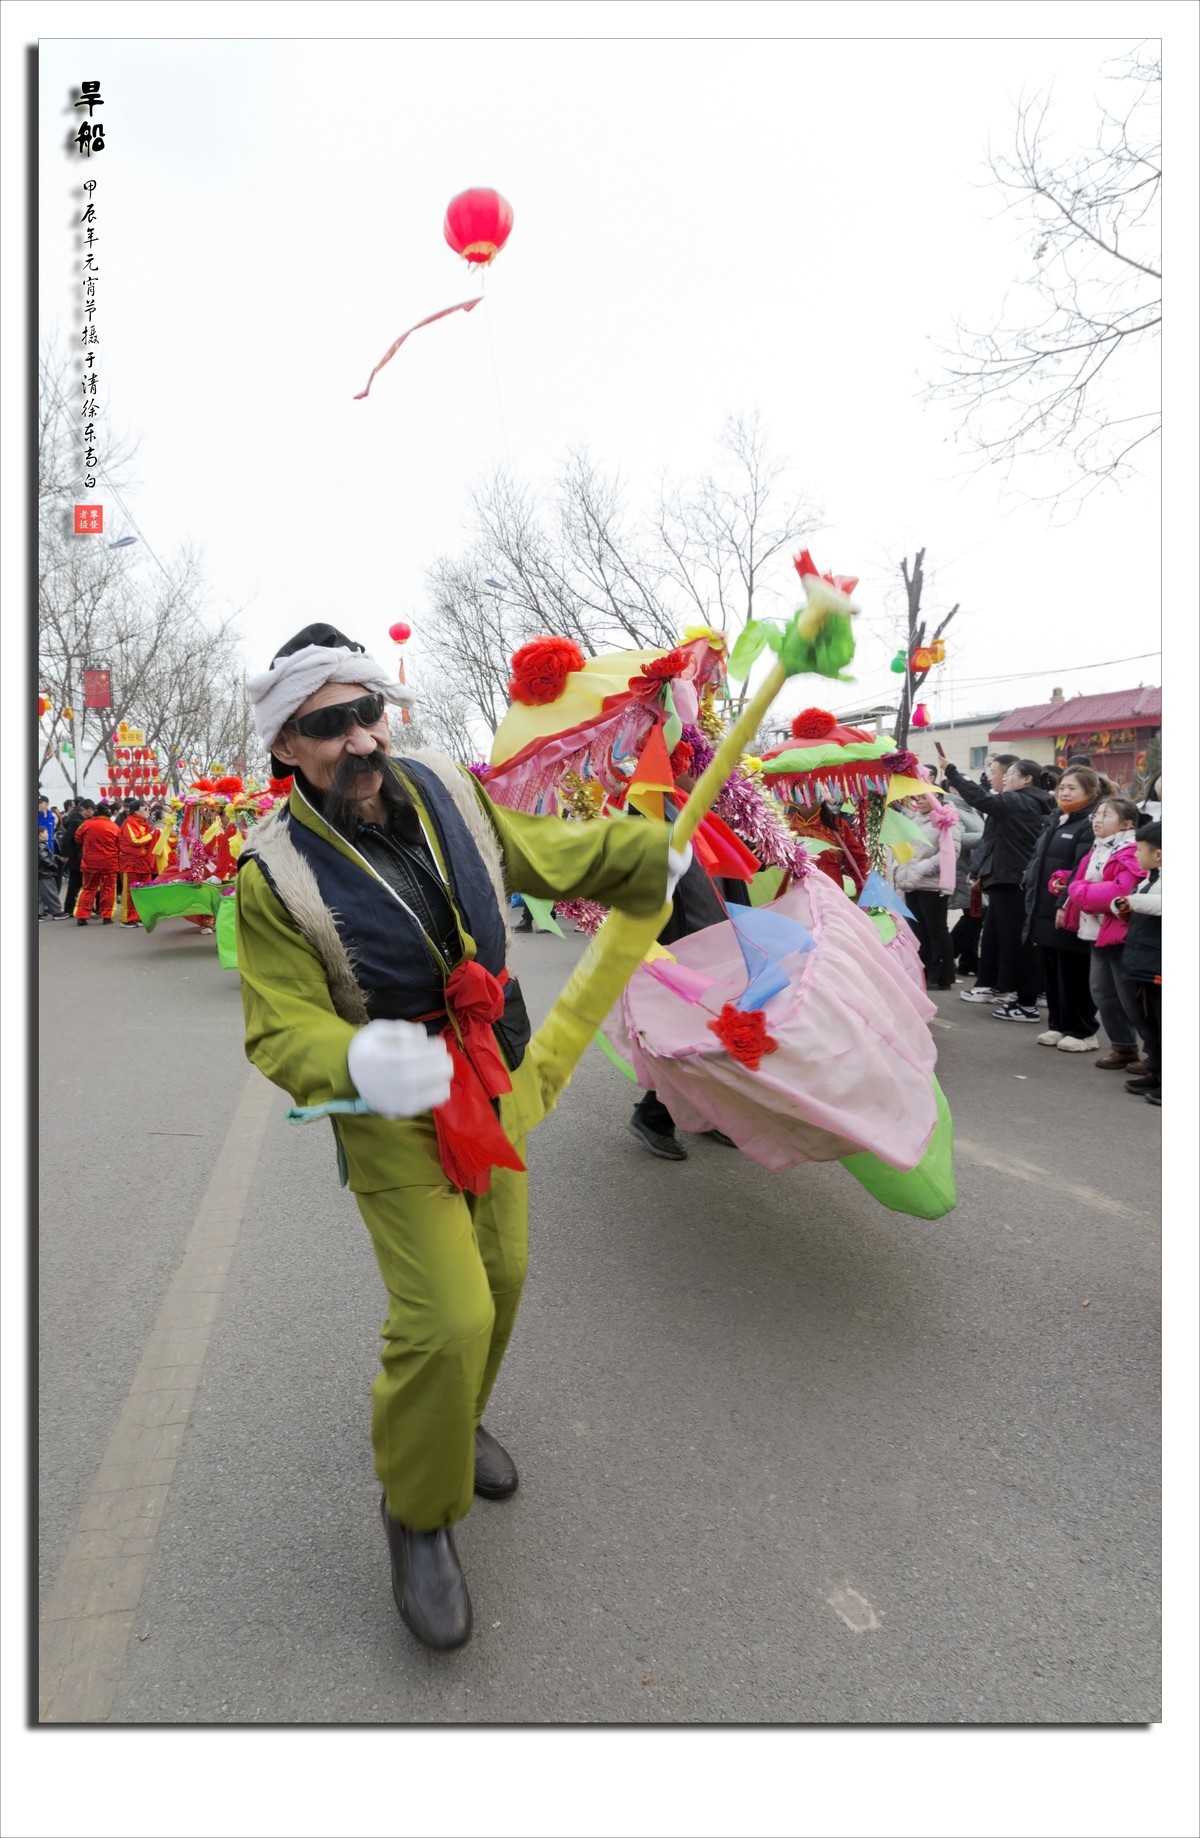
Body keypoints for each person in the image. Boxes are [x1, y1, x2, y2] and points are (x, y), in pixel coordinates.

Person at [235, 622, 691, 1652]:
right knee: (446, 1315)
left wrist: (643, 856)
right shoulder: (271, 874)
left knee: (506, 1274)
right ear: (286, 746)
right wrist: (355, 1057)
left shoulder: (445, 783)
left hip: (492, 1073)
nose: (361, 739)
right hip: (390, 1111)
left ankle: (452, 1420)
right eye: (328, 725)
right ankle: (418, 1509)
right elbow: (278, 1024)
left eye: (368, 712)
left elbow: (545, 852)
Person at [934, 746, 1054, 1017]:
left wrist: (951, 771)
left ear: (1027, 779)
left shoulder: (1017, 801)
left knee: (1014, 942)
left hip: (1013, 880)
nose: (1001, 778)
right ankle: (1010, 991)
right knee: (1001, 940)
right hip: (1012, 878)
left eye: (1009, 773)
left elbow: (980, 798)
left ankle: (1025, 1001)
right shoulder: (1034, 802)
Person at [1021, 766, 1104, 1050]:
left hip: (1068, 907)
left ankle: (1083, 1031)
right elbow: (1038, 858)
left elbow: (1082, 868)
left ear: (1091, 792)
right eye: (1062, 787)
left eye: (1072, 788)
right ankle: (1058, 1025)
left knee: (1073, 970)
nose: (1065, 793)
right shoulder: (1057, 818)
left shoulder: (1088, 824)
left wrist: (1063, 903)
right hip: (1042, 905)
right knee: (1052, 968)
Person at [1060, 797, 1145, 1070]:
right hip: (1097, 929)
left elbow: (1118, 892)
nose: (1097, 820)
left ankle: (1155, 1055)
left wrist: (1077, 890)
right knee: (1102, 992)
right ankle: (1123, 1047)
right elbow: (1084, 879)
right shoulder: (1098, 847)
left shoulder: (1131, 851)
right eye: (1096, 815)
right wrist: (1064, 879)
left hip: (1121, 931)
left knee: (1130, 997)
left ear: (1127, 823)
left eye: (1106, 815)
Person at [1113, 821, 1161, 1104]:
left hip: (1158, 963)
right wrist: (1123, 906)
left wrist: (1132, 902)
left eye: (1140, 849)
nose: (1135, 854)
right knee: (1150, 1021)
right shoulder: (1148, 879)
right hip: (1143, 961)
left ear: (1158, 854)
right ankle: (1156, 1072)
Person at [893, 788, 961, 990]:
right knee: (918, 931)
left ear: (936, 797)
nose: (920, 801)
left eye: (924, 797)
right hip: (911, 882)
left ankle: (941, 975)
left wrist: (923, 868)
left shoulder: (947, 820)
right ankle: (924, 971)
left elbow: (951, 851)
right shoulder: (913, 820)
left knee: (936, 930)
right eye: (917, 797)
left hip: (931, 884)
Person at [73, 801, 122, 924]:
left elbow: (78, 838)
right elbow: (120, 844)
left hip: (90, 862)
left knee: (88, 888)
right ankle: (106, 916)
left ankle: (82, 916)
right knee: (108, 889)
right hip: (109, 863)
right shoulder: (114, 827)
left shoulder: (86, 824)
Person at [117, 798, 161, 925]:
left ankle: (140, 915)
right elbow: (135, 841)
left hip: (143, 863)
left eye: (148, 809)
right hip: (131, 863)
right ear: (136, 811)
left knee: (143, 890)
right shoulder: (129, 823)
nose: (148, 811)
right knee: (130, 891)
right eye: (145, 809)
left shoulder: (145, 823)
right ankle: (127, 919)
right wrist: (151, 835)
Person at [57, 799, 90, 917]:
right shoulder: (77, 822)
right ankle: (69, 908)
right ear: (84, 809)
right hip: (75, 856)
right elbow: (66, 838)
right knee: (74, 883)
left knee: (75, 883)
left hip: (76, 855)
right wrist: (65, 854)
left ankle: (71, 907)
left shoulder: (76, 819)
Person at [37, 832, 65, 918]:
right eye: (46, 833)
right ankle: (57, 912)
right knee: (51, 893)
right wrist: (54, 866)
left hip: (41, 873)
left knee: (41, 895)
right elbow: (44, 859)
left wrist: (55, 857)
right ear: (40, 834)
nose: (48, 835)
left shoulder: (40, 845)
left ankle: (39, 913)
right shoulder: (41, 846)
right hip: (45, 873)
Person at [38, 795, 56, 860]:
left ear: (47, 804)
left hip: (50, 847)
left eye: (40, 803)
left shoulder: (52, 816)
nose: (38, 804)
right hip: (39, 847)